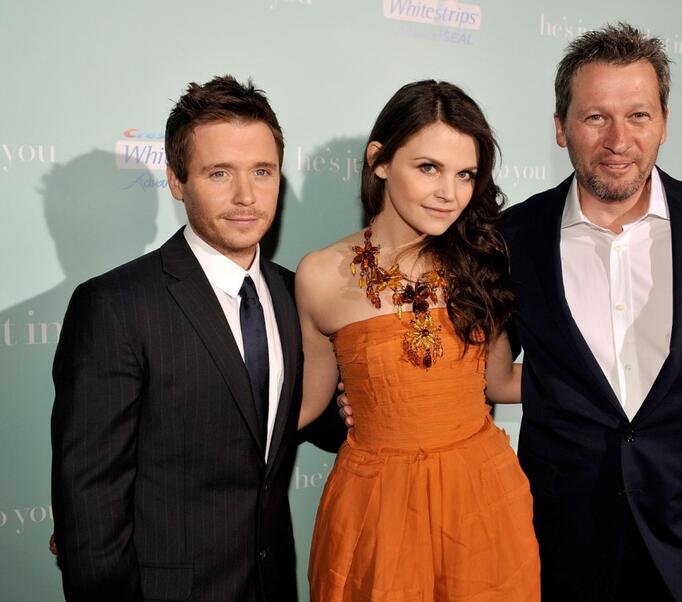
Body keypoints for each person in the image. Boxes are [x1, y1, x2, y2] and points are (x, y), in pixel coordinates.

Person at [502, 23, 682, 601]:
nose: (618, 140)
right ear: (561, 128)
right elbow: (475, 368)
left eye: (638, 115)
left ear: (663, 124)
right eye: (595, 117)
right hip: (563, 549)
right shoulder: (512, 238)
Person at [51, 75, 344, 602]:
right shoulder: (115, 306)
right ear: (177, 180)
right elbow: (90, 504)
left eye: (262, 171)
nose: (246, 196)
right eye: (218, 173)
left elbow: (296, 420)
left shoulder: (294, 294)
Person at [296, 80, 540, 600]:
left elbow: (497, 383)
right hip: (374, 507)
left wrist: (612, 384)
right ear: (379, 160)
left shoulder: (482, 260)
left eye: (465, 174)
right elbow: (304, 402)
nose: (448, 192)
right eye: (428, 167)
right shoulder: (318, 275)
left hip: (480, 498)